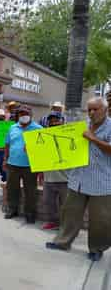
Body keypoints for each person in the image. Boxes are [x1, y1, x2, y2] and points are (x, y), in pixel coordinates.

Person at [46, 97, 111, 261]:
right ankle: (62, 242)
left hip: (101, 181)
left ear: (105, 109)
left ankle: (97, 248)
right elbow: (62, 144)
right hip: (78, 179)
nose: (91, 113)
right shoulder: (81, 126)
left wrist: (93, 138)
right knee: (70, 213)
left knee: (100, 219)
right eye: (89, 109)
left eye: (95, 109)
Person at [3, 104, 42, 223]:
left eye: (26, 113)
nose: (24, 115)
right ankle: (12, 209)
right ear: (18, 115)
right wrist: (5, 159)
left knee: (30, 191)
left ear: (31, 115)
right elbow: (7, 144)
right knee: (12, 189)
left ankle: (30, 213)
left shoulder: (39, 129)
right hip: (13, 164)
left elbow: (43, 148)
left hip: (29, 166)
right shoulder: (12, 128)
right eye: (21, 113)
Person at [40, 112, 68, 230]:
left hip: (67, 178)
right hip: (49, 177)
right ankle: (52, 221)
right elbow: (39, 155)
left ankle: (66, 225)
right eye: (51, 120)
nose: (54, 122)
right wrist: (30, 150)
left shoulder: (69, 135)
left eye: (56, 120)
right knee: (48, 202)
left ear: (62, 121)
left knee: (66, 205)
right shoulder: (44, 136)